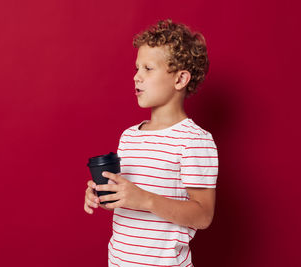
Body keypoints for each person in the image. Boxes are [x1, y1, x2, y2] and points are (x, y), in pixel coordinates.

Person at [84, 19, 218, 266]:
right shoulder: (129, 137)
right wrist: (102, 194)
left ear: (180, 79)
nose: (137, 77)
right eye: (136, 68)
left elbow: (203, 215)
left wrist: (145, 199)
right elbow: (127, 199)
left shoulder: (194, 141)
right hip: (119, 261)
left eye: (148, 68)